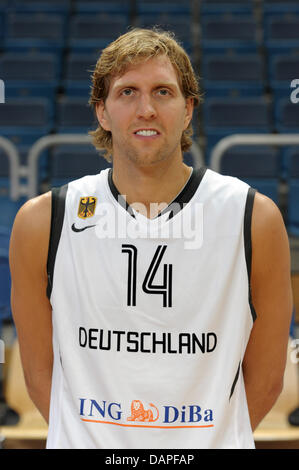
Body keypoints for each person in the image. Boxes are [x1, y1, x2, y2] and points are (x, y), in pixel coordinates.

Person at [9, 28, 293, 449]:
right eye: (127, 93)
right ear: (102, 112)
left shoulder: (252, 218)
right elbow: (38, 372)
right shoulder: (43, 221)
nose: (146, 109)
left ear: (188, 109)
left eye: (163, 91)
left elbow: (268, 376)